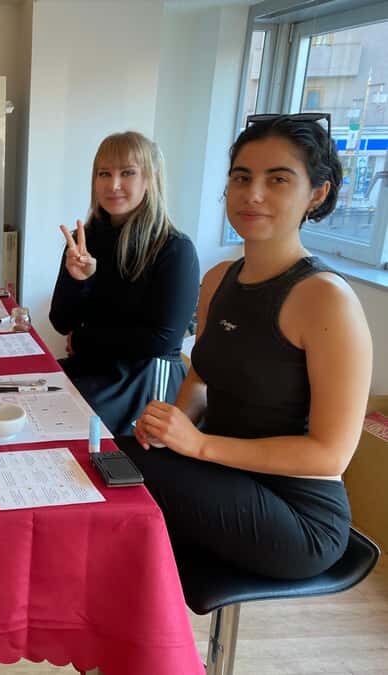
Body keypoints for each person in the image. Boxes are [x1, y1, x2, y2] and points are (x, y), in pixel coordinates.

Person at [124, 115, 373, 579]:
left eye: (277, 179)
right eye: (242, 177)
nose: (252, 194)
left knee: (118, 476)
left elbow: (329, 454)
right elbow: (202, 376)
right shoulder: (219, 279)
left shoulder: (326, 299)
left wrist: (198, 445)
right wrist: (172, 426)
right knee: (116, 462)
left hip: (298, 516)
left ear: (316, 194)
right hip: (224, 479)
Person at [49, 131, 199, 435]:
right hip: (94, 368)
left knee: (70, 432)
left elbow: (162, 340)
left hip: (145, 378)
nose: (113, 184)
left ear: (149, 179)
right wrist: (78, 281)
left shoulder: (174, 248)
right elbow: (61, 321)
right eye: (104, 173)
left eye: (127, 173)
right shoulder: (84, 241)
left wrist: (83, 339)